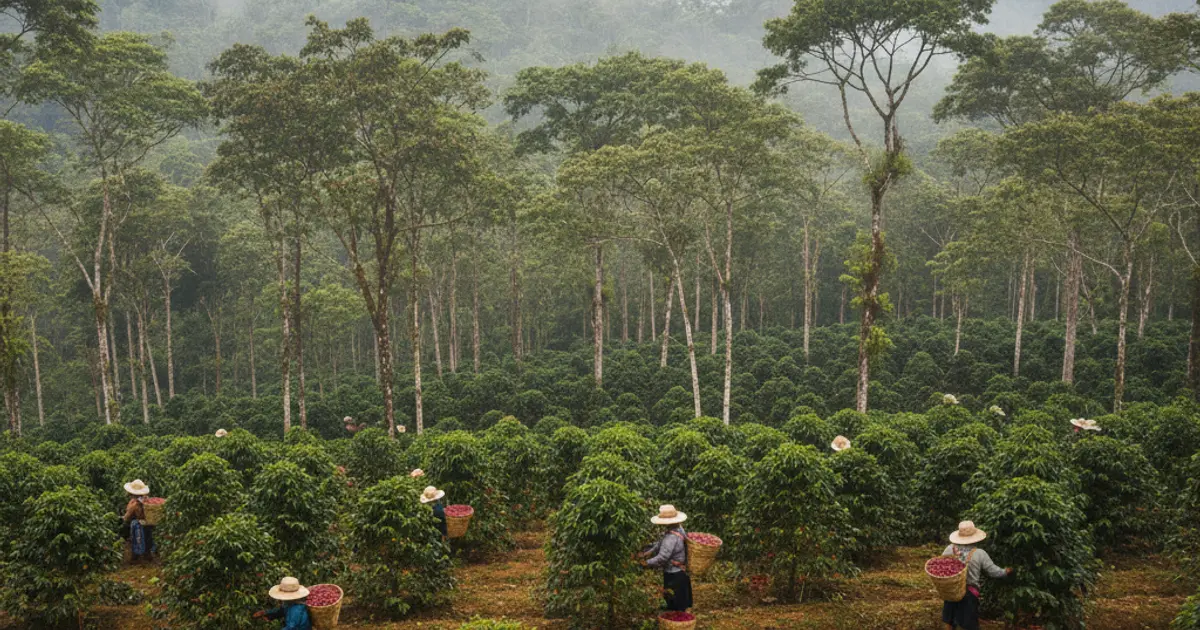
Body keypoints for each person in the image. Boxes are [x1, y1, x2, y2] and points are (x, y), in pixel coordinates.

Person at [941, 521, 1012, 630]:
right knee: (970, 624)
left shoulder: (950, 549)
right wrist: (1005, 571)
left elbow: (941, 564)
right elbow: (992, 571)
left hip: (952, 589)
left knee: (949, 621)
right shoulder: (979, 553)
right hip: (969, 593)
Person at [639, 504, 693, 612]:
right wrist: (646, 552)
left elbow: (662, 558)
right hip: (681, 572)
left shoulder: (671, 537)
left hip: (674, 574)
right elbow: (660, 543)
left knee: (675, 605)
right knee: (677, 602)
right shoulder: (678, 529)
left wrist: (646, 563)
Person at [121, 479, 155, 562]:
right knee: (148, 538)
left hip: (138, 523)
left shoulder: (134, 503)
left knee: (136, 538)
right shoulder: (146, 499)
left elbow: (128, 515)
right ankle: (148, 554)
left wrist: (124, 518)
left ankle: (136, 556)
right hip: (148, 522)